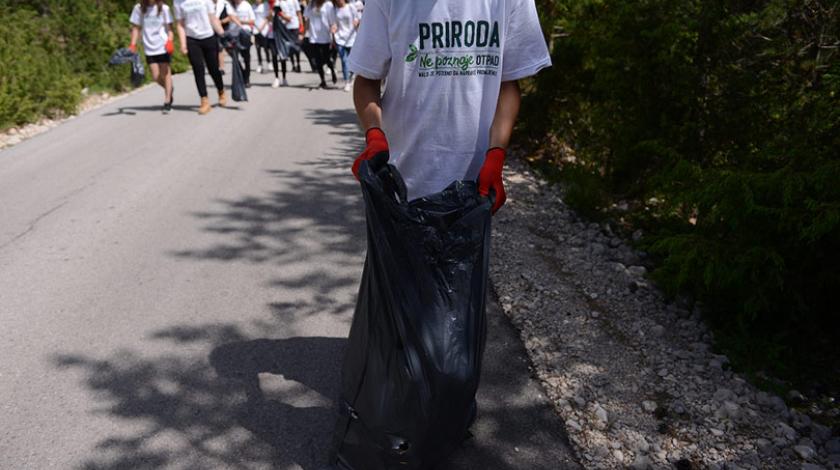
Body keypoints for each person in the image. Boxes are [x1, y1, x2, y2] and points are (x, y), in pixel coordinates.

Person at [349, 0, 552, 212]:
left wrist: (496, 153)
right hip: (398, 183)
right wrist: (374, 134)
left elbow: (508, 83)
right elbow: (366, 79)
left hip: (475, 186)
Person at [174, 0, 227, 114]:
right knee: (198, 70)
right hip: (192, 39)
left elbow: (212, 18)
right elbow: (180, 24)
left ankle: (221, 91)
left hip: (208, 37)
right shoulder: (178, 2)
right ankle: (204, 100)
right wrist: (183, 44)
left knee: (213, 69)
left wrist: (223, 34)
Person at [129, 0, 175, 113]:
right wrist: (132, 45)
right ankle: (169, 89)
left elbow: (170, 29)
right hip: (149, 47)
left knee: (165, 73)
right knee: (156, 77)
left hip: (162, 45)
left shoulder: (164, 8)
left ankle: (167, 101)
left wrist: (170, 41)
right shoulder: (139, 8)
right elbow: (136, 28)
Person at [303, 0, 337, 89]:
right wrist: (303, 34)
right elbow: (307, 20)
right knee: (318, 61)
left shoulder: (328, 5)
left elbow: (332, 21)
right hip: (314, 37)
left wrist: (333, 37)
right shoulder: (310, 5)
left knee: (326, 58)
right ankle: (323, 81)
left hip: (325, 37)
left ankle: (332, 70)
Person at [332, 0, 359, 92]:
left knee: (352, 60)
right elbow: (335, 23)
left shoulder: (351, 7)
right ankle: (347, 81)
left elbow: (357, 18)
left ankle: (351, 76)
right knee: (344, 60)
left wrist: (356, 22)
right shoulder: (335, 9)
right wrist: (333, 31)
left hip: (351, 38)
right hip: (340, 38)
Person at [232, 0, 256, 86]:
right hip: (234, 35)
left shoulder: (246, 5)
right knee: (234, 57)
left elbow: (252, 21)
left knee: (246, 57)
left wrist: (240, 22)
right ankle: (242, 74)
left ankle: (247, 78)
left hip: (245, 33)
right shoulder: (230, 6)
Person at [277, 0, 304, 74]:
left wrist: (301, 25)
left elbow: (299, 13)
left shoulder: (294, 1)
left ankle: (298, 63)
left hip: (295, 25)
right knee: (289, 46)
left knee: (296, 46)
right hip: (285, 27)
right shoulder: (280, 2)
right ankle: (293, 65)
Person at [253, 0, 270, 74]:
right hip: (256, 29)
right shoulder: (253, 6)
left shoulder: (265, 5)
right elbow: (252, 18)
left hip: (264, 29)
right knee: (258, 48)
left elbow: (267, 17)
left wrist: (262, 27)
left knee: (265, 48)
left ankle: (269, 62)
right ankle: (260, 64)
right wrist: (256, 27)